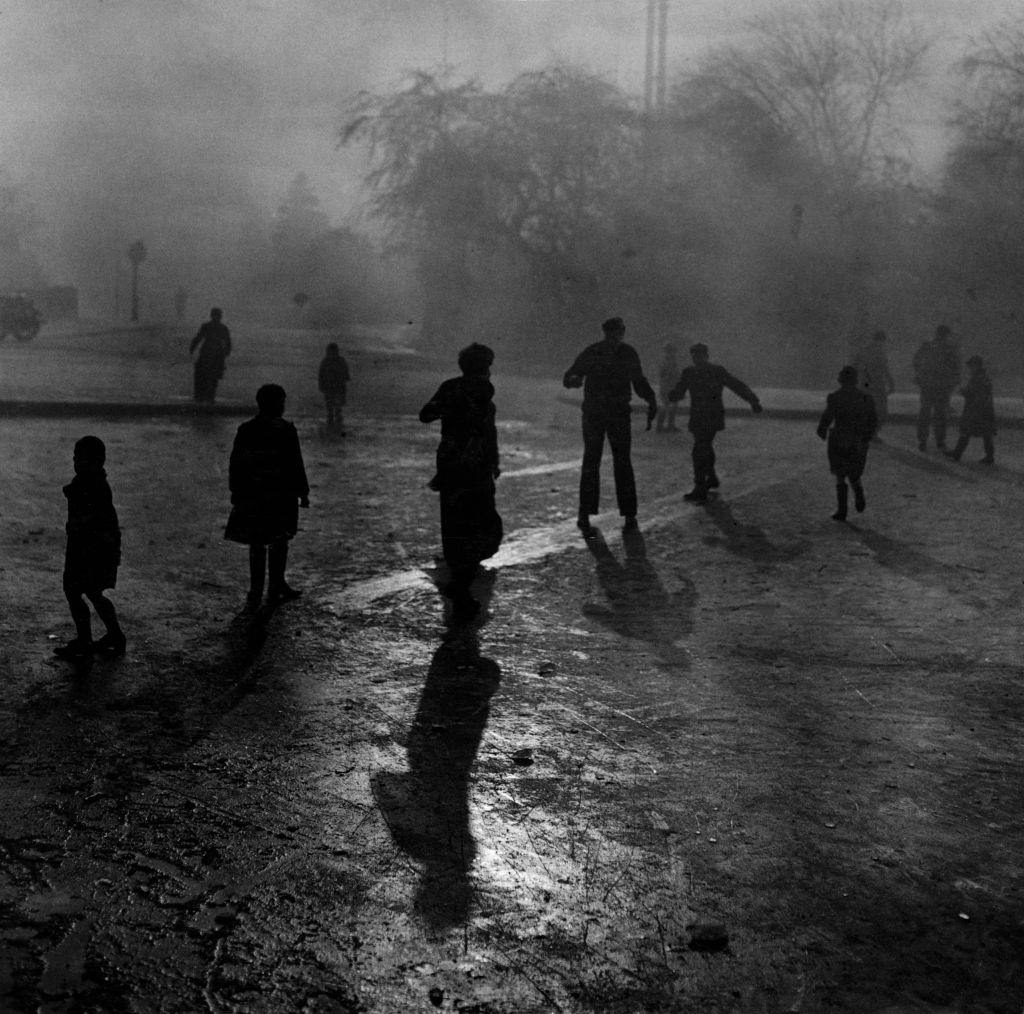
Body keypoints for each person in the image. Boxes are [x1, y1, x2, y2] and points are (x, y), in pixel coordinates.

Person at [420, 343, 503, 621]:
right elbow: (487, 431)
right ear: (482, 368)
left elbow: (426, 414)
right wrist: (493, 461)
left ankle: (460, 586)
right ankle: (461, 587)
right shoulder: (482, 392)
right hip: (474, 467)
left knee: (455, 524)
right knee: (479, 524)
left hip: (451, 465)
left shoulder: (451, 387)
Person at [563, 317, 657, 532]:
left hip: (605, 413)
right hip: (607, 414)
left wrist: (651, 399)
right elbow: (570, 375)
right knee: (605, 462)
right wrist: (573, 380)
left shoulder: (603, 351)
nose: (615, 337)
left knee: (605, 462)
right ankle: (613, 515)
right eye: (612, 332)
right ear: (607, 332)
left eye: (617, 333)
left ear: (621, 333)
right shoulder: (619, 352)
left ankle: (604, 514)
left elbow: (639, 381)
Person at [225, 384, 310, 609]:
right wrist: (303, 491)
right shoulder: (286, 430)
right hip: (281, 495)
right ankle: (276, 585)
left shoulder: (247, 430)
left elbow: (236, 464)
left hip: (256, 495)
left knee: (258, 542)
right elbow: (296, 463)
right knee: (279, 541)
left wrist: (236, 491)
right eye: (281, 402)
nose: (283, 406)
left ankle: (257, 589)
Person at [55, 435, 125, 659]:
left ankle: (87, 639)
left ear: (98, 462)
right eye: (76, 458)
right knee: (89, 593)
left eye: (83, 459)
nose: (78, 463)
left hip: (91, 550)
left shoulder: (94, 485)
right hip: (89, 548)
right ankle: (112, 635)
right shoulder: (90, 482)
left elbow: (93, 517)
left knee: (79, 592)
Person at [667, 342, 763, 503]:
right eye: (695, 356)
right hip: (711, 415)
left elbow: (680, 391)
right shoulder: (715, 371)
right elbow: (736, 385)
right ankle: (710, 477)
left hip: (702, 415)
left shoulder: (692, 372)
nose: (697, 359)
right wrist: (752, 400)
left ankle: (701, 485)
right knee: (705, 445)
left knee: (699, 449)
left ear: (704, 356)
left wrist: (673, 395)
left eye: (698, 356)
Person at [816, 366, 878, 521]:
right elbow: (873, 421)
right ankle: (858, 493)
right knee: (854, 473)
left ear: (841, 381)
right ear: (855, 381)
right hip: (857, 440)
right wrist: (867, 437)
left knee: (840, 474)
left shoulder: (835, 397)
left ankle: (842, 510)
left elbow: (827, 417)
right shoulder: (865, 398)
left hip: (839, 438)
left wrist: (822, 430)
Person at [912, 324, 960, 452]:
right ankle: (940, 441)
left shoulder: (927, 346)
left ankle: (922, 440)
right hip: (942, 386)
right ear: (946, 335)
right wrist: (953, 382)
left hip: (927, 384)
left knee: (925, 412)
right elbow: (955, 367)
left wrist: (920, 375)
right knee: (940, 414)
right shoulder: (949, 349)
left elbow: (916, 360)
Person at [945, 355, 996, 465]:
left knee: (967, 431)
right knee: (986, 434)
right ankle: (989, 456)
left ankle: (957, 454)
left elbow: (974, 393)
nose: (970, 368)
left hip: (976, 409)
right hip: (983, 410)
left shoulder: (978, 378)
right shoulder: (982, 377)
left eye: (971, 366)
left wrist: (964, 392)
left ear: (976, 366)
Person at [852, 329, 894, 436]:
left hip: (864, 383)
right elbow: (885, 369)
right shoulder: (881, 351)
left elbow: (855, 365)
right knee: (881, 411)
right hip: (877, 384)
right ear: (883, 340)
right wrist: (891, 383)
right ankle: (872, 432)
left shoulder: (864, 350)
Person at [189, 307, 232, 404]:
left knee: (201, 375)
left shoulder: (207, 326)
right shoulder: (223, 328)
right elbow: (228, 342)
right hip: (217, 355)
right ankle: (209, 397)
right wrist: (226, 352)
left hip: (207, 353)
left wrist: (192, 348)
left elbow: (198, 338)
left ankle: (200, 397)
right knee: (213, 377)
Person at [318, 342, 351, 432]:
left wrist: (321, 385)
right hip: (331, 387)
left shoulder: (329, 361)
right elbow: (321, 374)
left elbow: (345, 372)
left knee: (335, 405)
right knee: (331, 405)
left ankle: (334, 418)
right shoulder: (331, 361)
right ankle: (334, 419)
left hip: (335, 387)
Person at [655, 342, 681, 433]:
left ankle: (671, 425)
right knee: (665, 406)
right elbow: (662, 374)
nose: (672, 353)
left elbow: (677, 374)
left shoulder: (674, 362)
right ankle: (660, 426)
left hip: (673, 387)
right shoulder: (664, 362)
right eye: (670, 351)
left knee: (674, 406)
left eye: (673, 351)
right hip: (666, 388)